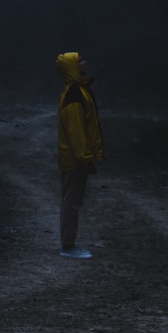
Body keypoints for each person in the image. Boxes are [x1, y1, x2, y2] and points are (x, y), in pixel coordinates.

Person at [55, 51, 104, 259]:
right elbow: (77, 133)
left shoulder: (79, 90)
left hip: (76, 159)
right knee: (71, 202)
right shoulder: (74, 95)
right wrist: (86, 159)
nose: (85, 62)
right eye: (80, 60)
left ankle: (69, 244)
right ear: (72, 67)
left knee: (72, 200)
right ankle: (68, 246)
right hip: (75, 160)